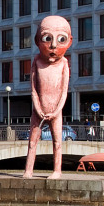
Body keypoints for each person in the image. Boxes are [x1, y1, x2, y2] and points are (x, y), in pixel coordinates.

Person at [24, 15, 73, 179]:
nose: (53, 45)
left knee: (57, 142)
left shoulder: (64, 64)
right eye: (47, 38)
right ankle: (28, 170)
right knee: (32, 141)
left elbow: (64, 91)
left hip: (56, 111)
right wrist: (37, 108)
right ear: (38, 40)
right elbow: (33, 89)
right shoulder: (37, 61)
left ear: (69, 42)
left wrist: (57, 110)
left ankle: (57, 170)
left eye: (61, 39)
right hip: (38, 110)